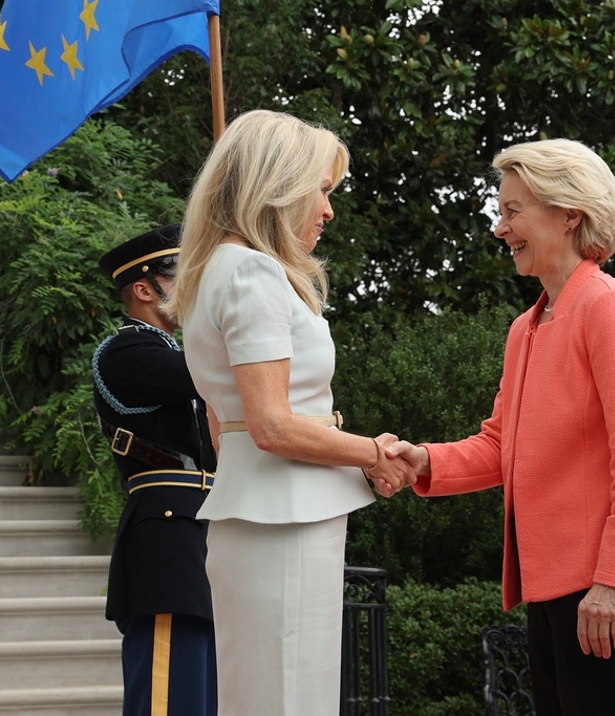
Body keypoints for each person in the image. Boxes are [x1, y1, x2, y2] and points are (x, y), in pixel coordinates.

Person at [388, 138, 615, 716]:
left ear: (570, 214)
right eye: (502, 211)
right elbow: (501, 445)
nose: (500, 227)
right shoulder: (527, 326)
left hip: (605, 586)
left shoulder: (609, 307)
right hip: (554, 590)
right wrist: (427, 460)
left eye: (513, 210)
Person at [166, 109, 415, 716]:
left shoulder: (214, 272)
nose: (328, 210)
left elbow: (226, 428)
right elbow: (272, 425)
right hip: (284, 521)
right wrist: (373, 453)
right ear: (275, 185)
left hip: (268, 514)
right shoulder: (250, 271)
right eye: (322, 190)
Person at [93, 225, 218, 716]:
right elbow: (208, 371)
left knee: (202, 692)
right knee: (170, 696)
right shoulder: (125, 352)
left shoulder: (171, 351)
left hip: (198, 532)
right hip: (168, 539)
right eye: (181, 276)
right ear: (144, 289)